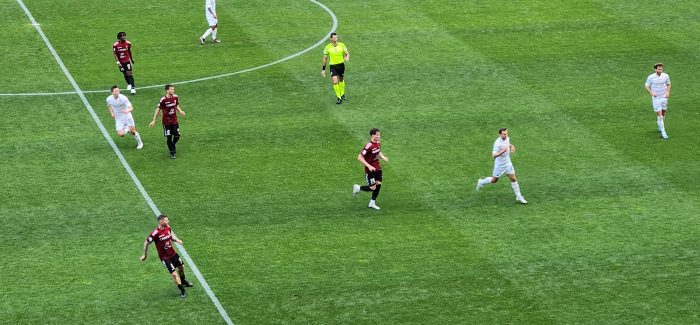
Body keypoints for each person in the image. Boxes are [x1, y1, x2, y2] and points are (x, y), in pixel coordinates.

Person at [140, 214, 194, 298]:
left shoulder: (168, 228)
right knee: (175, 275)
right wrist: (144, 255)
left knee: (181, 267)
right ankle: (182, 291)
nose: (168, 221)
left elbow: (170, 236)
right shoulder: (155, 233)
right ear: (161, 222)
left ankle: (183, 281)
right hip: (165, 258)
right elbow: (146, 242)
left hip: (173, 254)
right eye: (166, 220)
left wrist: (177, 240)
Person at [476, 128, 527, 204]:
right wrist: (502, 151)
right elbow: (493, 156)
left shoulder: (507, 138)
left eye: (506, 134)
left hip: (508, 163)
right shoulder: (497, 143)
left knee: (513, 178)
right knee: (494, 180)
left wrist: (512, 146)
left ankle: (519, 196)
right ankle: (481, 182)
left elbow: (508, 144)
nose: (506, 135)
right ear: (500, 134)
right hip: (499, 165)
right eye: (504, 134)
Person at [352, 128, 388, 210]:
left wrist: (383, 157)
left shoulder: (378, 143)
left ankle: (372, 203)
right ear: (372, 135)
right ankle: (358, 187)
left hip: (377, 168)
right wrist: (369, 166)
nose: (379, 136)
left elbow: (377, 151)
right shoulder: (368, 146)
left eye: (379, 134)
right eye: (377, 135)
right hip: (370, 170)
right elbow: (359, 157)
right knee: (373, 188)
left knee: (378, 184)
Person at [149, 85, 186, 159]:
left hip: (174, 121)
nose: (173, 91)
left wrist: (181, 111)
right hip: (166, 122)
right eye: (171, 89)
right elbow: (158, 109)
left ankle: (172, 145)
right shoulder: (163, 100)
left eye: (173, 89)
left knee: (177, 135)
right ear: (167, 90)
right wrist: (153, 120)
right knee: (169, 137)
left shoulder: (175, 97)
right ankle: (172, 152)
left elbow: (176, 105)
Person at [321, 32, 350, 104]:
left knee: (341, 79)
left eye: (336, 37)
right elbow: (325, 58)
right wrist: (323, 69)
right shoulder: (327, 47)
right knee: (335, 81)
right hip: (333, 66)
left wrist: (347, 58)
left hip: (341, 65)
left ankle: (342, 94)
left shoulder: (342, 45)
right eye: (334, 38)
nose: (335, 39)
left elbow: (347, 53)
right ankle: (339, 98)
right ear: (331, 39)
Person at [644, 63, 671, 139]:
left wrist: (668, 92)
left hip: (664, 97)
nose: (660, 70)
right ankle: (663, 131)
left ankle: (660, 123)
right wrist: (651, 92)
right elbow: (646, 86)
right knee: (660, 115)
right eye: (659, 69)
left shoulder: (665, 76)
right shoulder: (651, 77)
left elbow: (668, 84)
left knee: (663, 113)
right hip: (656, 98)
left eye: (661, 69)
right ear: (655, 69)